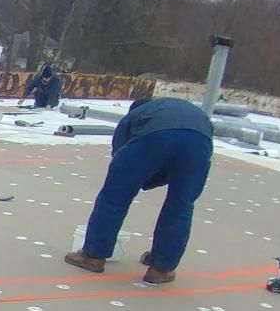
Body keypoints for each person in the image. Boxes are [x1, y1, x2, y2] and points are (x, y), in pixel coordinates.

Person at [64, 97, 214, 284]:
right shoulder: (192, 111)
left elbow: (119, 150)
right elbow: (186, 155)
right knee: (181, 206)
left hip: (154, 138)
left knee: (114, 198)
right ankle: (161, 268)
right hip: (199, 143)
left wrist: (135, 179)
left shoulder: (136, 114)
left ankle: (93, 256)